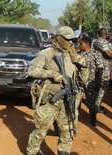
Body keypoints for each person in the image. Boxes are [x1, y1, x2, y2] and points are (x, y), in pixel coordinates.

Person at [26, 26, 88, 155]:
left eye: (72, 40)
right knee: (40, 131)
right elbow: (32, 70)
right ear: (59, 38)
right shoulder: (47, 53)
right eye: (67, 39)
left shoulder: (74, 56)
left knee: (68, 132)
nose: (70, 42)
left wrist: (84, 66)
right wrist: (52, 74)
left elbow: (83, 81)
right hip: (50, 100)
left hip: (68, 102)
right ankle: (31, 152)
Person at [78, 36, 104, 126]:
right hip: (80, 81)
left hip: (91, 81)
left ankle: (93, 117)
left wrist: (98, 82)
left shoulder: (95, 54)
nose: (79, 45)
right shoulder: (78, 55)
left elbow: (100, 69)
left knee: (92, 100)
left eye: (81, 44)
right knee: (77, 99)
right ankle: (76, 117)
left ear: (87, 44)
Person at [93, 28, 112, 113]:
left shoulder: (96, 42)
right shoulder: (103, 42)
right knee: (103, 85)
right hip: (104, 66)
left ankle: (95, 103)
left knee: (97, 84)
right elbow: (108, 54)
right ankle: (97, 105)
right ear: (105, 34)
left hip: (98, 65)